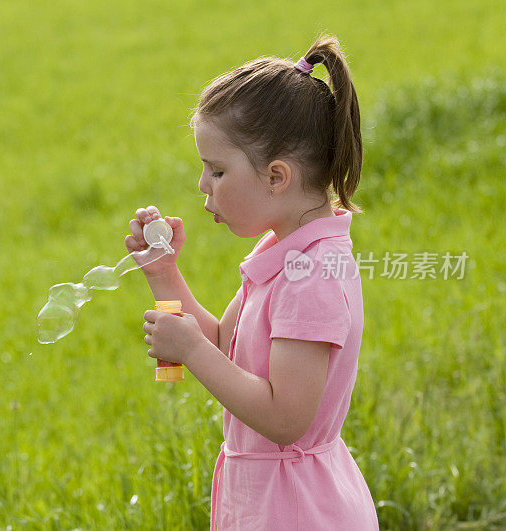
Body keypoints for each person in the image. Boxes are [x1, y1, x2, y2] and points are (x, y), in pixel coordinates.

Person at [126, 33, 379, 529]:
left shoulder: (310, 276)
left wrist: (191, 350)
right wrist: (163, 272)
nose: (203, 186)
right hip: (272, 500)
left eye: (217, 171)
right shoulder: (283, 252)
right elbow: (224, 342)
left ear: (276, 177)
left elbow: (286, 418)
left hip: (299, 511)